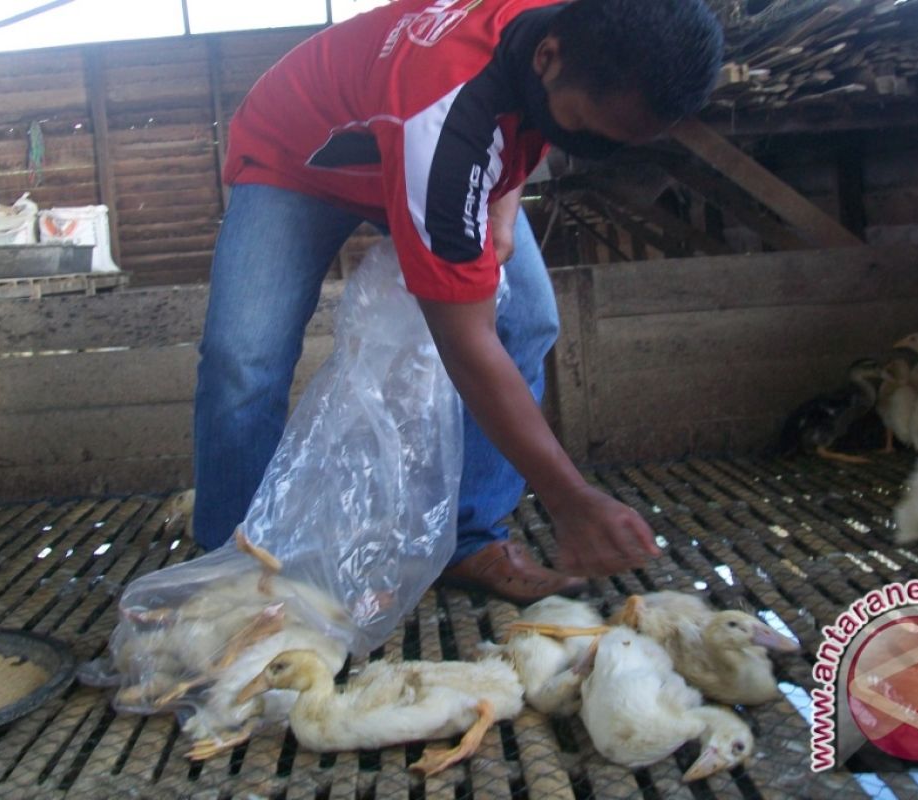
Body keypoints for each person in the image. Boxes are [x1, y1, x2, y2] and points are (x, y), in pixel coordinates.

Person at [193, 0, 724, 603]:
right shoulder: (447, 126)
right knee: (244, 355)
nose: (589, 144)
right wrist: (569, 498)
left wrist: (502, 199)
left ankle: (471, 539)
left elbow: (538, 115)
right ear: (548, 58)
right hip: (304, 154)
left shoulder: (571, 29)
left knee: (526, 317)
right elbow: (465, 342)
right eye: (584, 127)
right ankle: (232, 565)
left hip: (419, 129)